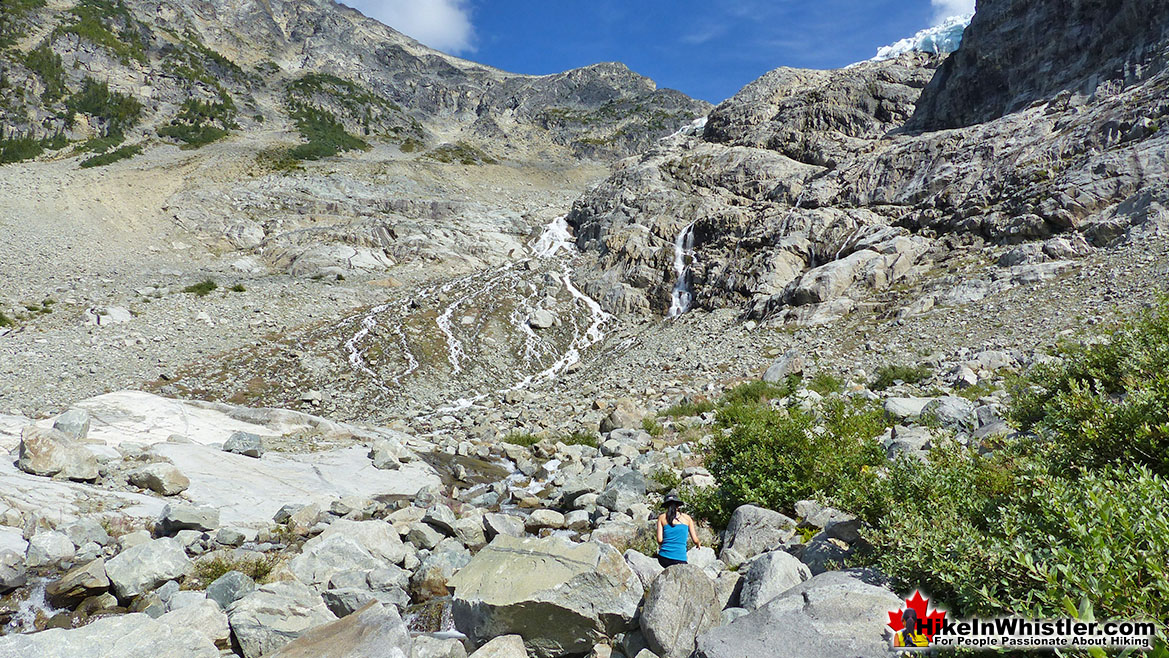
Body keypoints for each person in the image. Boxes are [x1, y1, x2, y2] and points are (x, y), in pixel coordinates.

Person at [655, 490, 701, 567]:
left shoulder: (661, 518)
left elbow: (659, 540)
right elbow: (695, 539)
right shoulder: (687, 518)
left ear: (666, 506)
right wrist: (698, 543)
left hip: (663, 558)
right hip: (680, 558)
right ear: (678, 506)